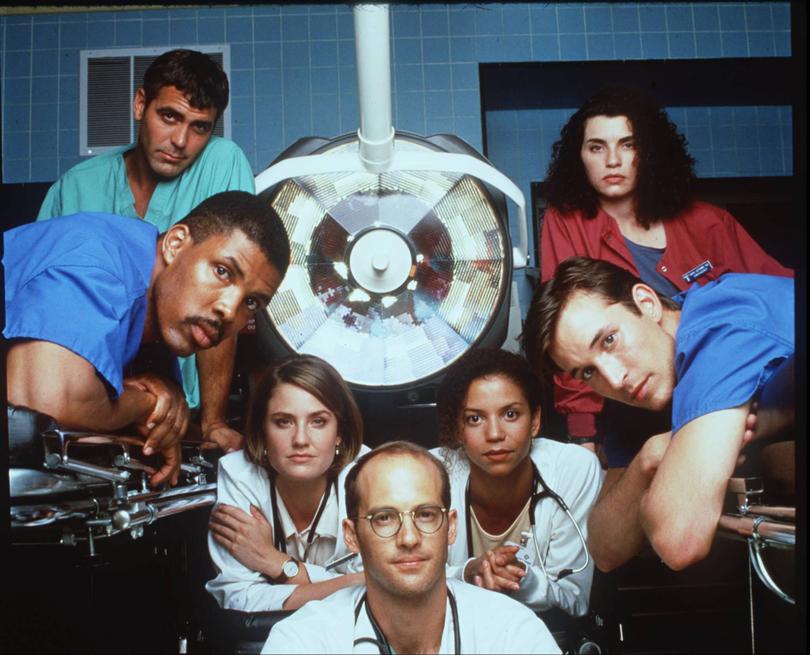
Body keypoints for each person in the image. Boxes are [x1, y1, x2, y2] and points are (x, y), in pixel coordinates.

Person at [539, 85, 792, 457]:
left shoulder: (708, 221)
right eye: (597, 147)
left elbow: (779, 293)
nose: (612, 160)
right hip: (632, 410)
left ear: (650, 152)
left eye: (628, 144)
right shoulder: (566, 222)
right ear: (580, 157)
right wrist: (584, 437)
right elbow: (571, 337)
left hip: (729, 395)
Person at [38, 49, 257, 452]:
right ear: (141, 105)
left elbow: (223, 297)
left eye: (200, 127)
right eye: (169, 117)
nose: (180, 141)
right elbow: (45, 309)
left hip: (180, 411)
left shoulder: (222, 162)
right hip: (87, 403)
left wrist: (210, 422)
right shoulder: (75, 187)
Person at [523, 256, 794, 571]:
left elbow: (678, 539)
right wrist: (651, 457)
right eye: (586, 372)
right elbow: (605, 548)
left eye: (609, 340)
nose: (613, 379)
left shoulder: (720, 331)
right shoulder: (639, 383)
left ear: (647, 303)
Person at [4, 191, 289, 486]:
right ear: (175, 244)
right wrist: (147, 402)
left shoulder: (161, 320)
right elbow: (43, 402)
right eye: (222, 271)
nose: (230, 311)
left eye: (252, 302)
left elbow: (157, 429)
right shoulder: (96, 258)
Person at [262, 441, 561, 654]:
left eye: (426, 515)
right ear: (352, 536)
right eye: (384, 518)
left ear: (451, 526)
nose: (409, 538)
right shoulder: (303, 641)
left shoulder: (512, 632)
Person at [433, 348, 602, 615]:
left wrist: (522, 580)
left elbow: (574, 600)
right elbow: (409, 582)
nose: (495, 434)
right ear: (457, 429)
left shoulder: (573, 468)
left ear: (535, 421)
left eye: (510, 414)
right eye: (474, 418)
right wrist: (468, 573)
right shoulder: (430, 474)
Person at [206, 354, 369, 611]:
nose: (300, 439)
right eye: (283, 422)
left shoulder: (369, 473)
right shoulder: (239, 474)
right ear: (262, 430)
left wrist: (275, 562)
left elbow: (379, 589)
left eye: (318, 421)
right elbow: (236, 597)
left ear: (340, 432)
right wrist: (347, 583)